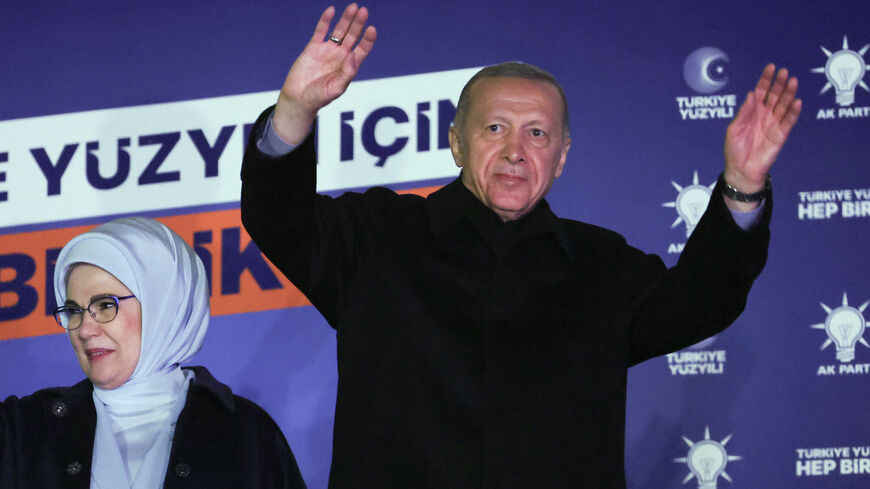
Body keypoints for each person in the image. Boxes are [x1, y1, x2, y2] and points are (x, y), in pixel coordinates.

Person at [240, 4, 801, 488]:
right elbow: (277, 217)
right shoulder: (375, 238)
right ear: (456, 144)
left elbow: (703, 298)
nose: (515, 150)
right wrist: (295, 110)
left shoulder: (602, 266)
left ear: (561, 156)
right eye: (494, 129)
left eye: (536, 132)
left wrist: (742, 186)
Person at [0, 217, 306, 489]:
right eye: (73, 311)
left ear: (164, 308)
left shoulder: (245, 434)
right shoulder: (25, 429)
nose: (83, 329)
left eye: (105, 305)